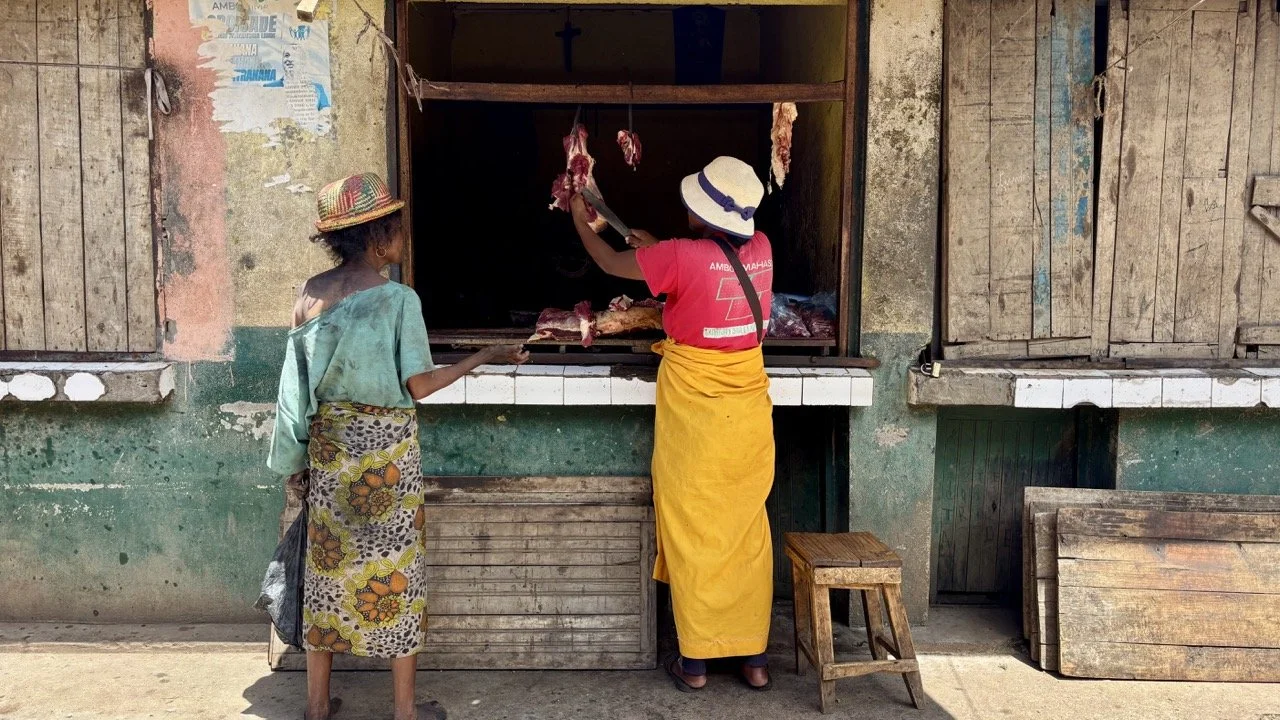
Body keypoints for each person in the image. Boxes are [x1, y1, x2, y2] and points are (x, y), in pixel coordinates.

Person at [268, 173, 528, 720]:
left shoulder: (309, 295)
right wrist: (484, 355)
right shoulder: (398, 300)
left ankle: (316, 706)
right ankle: (404, 711)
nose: (404, 239)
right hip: (387, 462)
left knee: (326, 573)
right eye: (398, 229)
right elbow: (420, 386)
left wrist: (296, 465)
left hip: (330, 454)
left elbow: (292, 395)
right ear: (379, 235)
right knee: (397, 575)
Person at [569, 156, 775, 692]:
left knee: (692, 529)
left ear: (702, 214)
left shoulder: (679, 256)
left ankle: (698, 663)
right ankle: (754, 659)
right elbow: (713, 267)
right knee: (745, 531)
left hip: (697, 412)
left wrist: (577, 221)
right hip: (748, 409)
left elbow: (612, 265)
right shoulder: (762, 249)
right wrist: (657, 246)